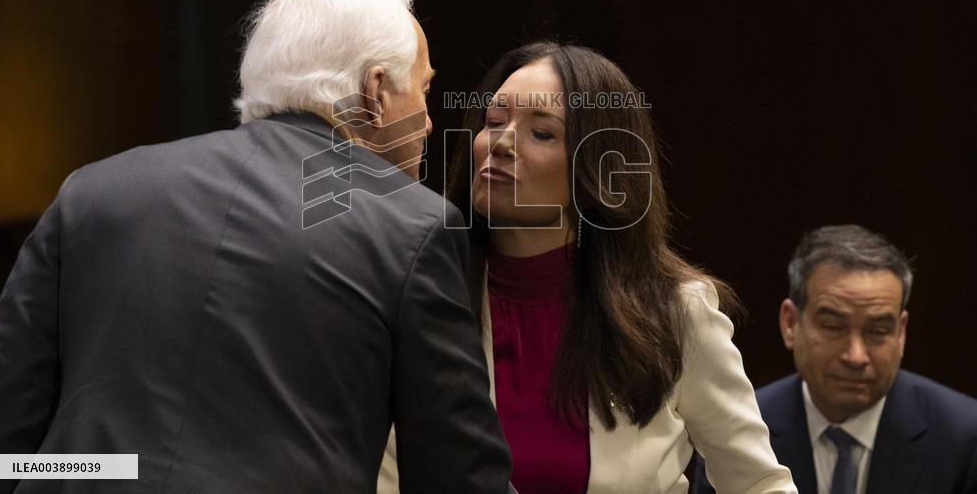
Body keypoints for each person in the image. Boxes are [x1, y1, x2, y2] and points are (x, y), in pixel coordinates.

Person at [0, 0, 511, 492]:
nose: (428, 121)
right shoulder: (415, 225)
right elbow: (456, 475)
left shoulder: (92, 191)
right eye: (423, 89)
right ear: (374, 92)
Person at [378, 42, 795, 493]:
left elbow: (759, 483)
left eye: (542, 133)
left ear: (597, 167)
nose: (499, 144)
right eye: (494, 122)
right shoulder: (419, 294)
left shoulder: (675, 312)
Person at [692, 224, 977, 493]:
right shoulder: (731, 434)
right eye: (832, 327)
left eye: (878, 331)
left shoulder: (964, 438)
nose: (855, 356)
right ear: (791, 323)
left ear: (901, 333)